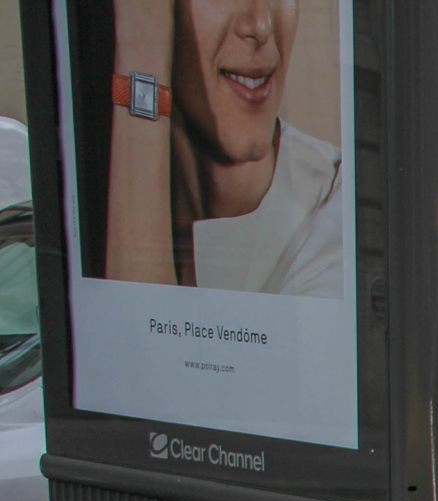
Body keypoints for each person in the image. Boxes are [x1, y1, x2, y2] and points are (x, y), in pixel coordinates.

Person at [102, 0, 341, 295]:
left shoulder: (340, 208)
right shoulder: (87, 194)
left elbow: (143, 335)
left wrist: (140, 59)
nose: (261, 26)